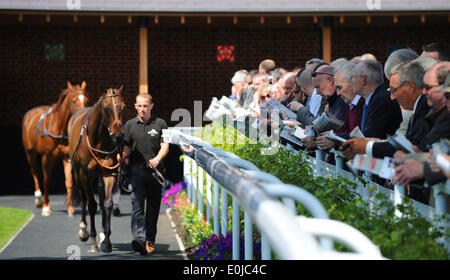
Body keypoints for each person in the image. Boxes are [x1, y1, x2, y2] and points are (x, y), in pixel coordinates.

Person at [119, 92, 169, 255]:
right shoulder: (129, 125)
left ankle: (149, 240)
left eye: (145, 106)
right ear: (135, 106)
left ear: (151, 106)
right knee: (137, 206)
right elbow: (126, 147)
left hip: (155, 173)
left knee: (153, 209)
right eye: (139, 106)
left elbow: (165, 146)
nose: (142, 109)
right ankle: (139, 239)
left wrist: (157, 159)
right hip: (136, 171)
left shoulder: (161, 123)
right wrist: (123, 156)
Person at [341, 60, 403, 160]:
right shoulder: (373, 99)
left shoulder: (381, 100)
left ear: (363, 79)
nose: (351, 81)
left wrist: (334, 138)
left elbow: (368, 136)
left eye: (353, 77)